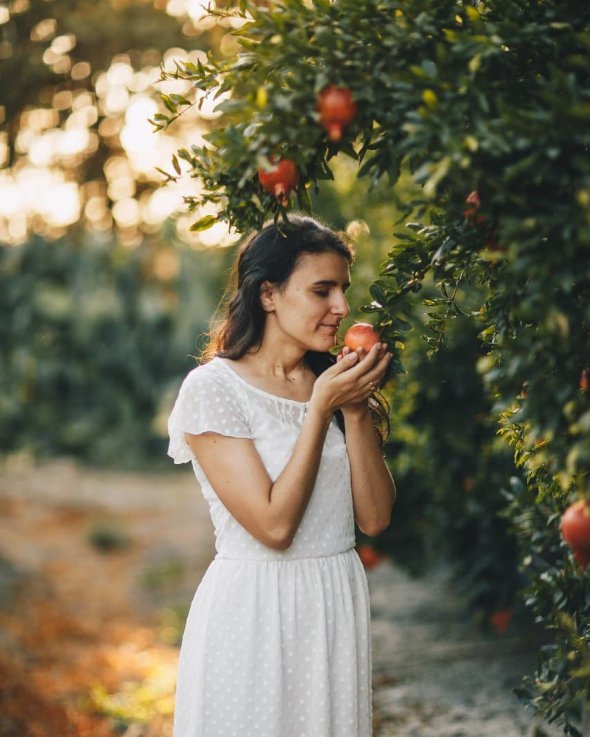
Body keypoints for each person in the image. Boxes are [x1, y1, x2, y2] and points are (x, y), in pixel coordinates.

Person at [167, 214, 396, 737]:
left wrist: (355, 411)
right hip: (255, 614)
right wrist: (319, 411)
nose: (340, 307)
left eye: (343, 289)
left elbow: (377, 518)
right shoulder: (214, 390)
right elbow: (274, 528)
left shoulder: (332, 385)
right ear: (268, 294)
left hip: (333, 602)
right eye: (322, 290)